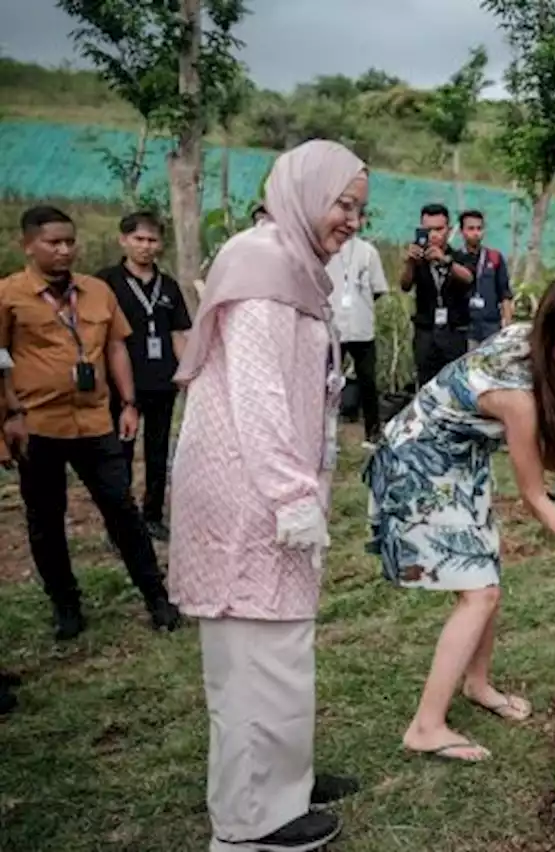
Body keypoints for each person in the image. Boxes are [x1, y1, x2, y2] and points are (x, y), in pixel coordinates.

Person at [167, 139, 368, 851]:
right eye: (343, 204)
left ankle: (286, 777)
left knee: (280, 646)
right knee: (255, 653)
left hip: (272, 486)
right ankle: (254, 821)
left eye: (359, 210)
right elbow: (257, 393)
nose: (351, 220)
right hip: (248, 490)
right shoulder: (261, 263)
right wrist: (291, 494)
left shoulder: (296, 266)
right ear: (305, 192)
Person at [365, 276, 555, 763]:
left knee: (487, 578)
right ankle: (425, 726)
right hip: (419, 462)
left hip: (460, 459)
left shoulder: (525, 337)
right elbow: (534, 498)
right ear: (548, 333)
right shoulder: (516, 400)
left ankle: (478, 683)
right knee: (479, 592)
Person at [0, 205, 181, 641]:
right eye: (53, 243)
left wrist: (130, 404)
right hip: (38, 424)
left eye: (70, 242)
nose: (64, 251)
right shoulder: (9, 295)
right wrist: (10, 417)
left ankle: (156, 597)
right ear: (28, 246)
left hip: (96, 420)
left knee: (122, 509)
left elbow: (116, 348)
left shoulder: (98, 291)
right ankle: (66, 604)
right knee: (46, 518)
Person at [96, 211, 192, 542]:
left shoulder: (168, 286)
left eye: (152, 240)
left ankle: (152, 515)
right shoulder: (105, 282)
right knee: (118, 455)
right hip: (120, 385)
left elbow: (179, 332)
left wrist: (188, 374)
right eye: (138, 239)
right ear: (123, 240)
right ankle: (120, 524)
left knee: (158, 451)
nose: (145, 246)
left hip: (162, 382)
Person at [326, 208, 389, 449]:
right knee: (328, 383)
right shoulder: (329, 249)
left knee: (368, 382)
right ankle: (327, 434)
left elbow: (378, 289)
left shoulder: (368, 252)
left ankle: (372, 433)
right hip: (334, 327)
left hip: (362, 328)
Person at [401, 203, 474, 387]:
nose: (434, 235)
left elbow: (468, 278)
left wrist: (444, 260)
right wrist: (410, 263)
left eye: (439, 229)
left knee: (454, 383)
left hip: (454, 331)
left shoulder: (459, 256)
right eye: (428, 230)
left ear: (448, 231)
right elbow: (405, 285)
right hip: (426, 331)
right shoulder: (418, 259)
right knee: (425, 383)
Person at [458, 209, 514, 350]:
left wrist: (507, 324)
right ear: (462, 231)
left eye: (479, 228)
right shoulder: (455, 259)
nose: (476, 233)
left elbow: (505, 293)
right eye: (471, 228)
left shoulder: (494, 257)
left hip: (490, 326)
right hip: (465, 327)